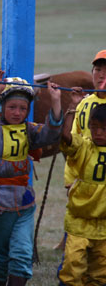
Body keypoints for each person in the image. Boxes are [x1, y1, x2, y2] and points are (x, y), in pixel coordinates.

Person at [0, 69, 62, 286]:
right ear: (3, 107)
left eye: (23, 109)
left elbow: (51, 134)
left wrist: (56, 103)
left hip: (24, 202)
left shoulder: (29, 130)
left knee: (23, 250)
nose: (17, 113)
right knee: (1, 254)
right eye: (12, 107)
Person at [58, 98, 106, 286]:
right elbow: (66, 137)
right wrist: (72, 109)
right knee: (73, 262)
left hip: (103, 222)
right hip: (79, 218)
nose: (98, 133)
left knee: (101, 267)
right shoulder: (84, 146)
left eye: (103, 129)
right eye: (94, 128)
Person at [56, 50, 106, 250]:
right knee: (79, 231)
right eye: (97, 69)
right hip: (82, 177)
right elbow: (72, 139)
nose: (101, 75)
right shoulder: (84, 103)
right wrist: (71, 177)